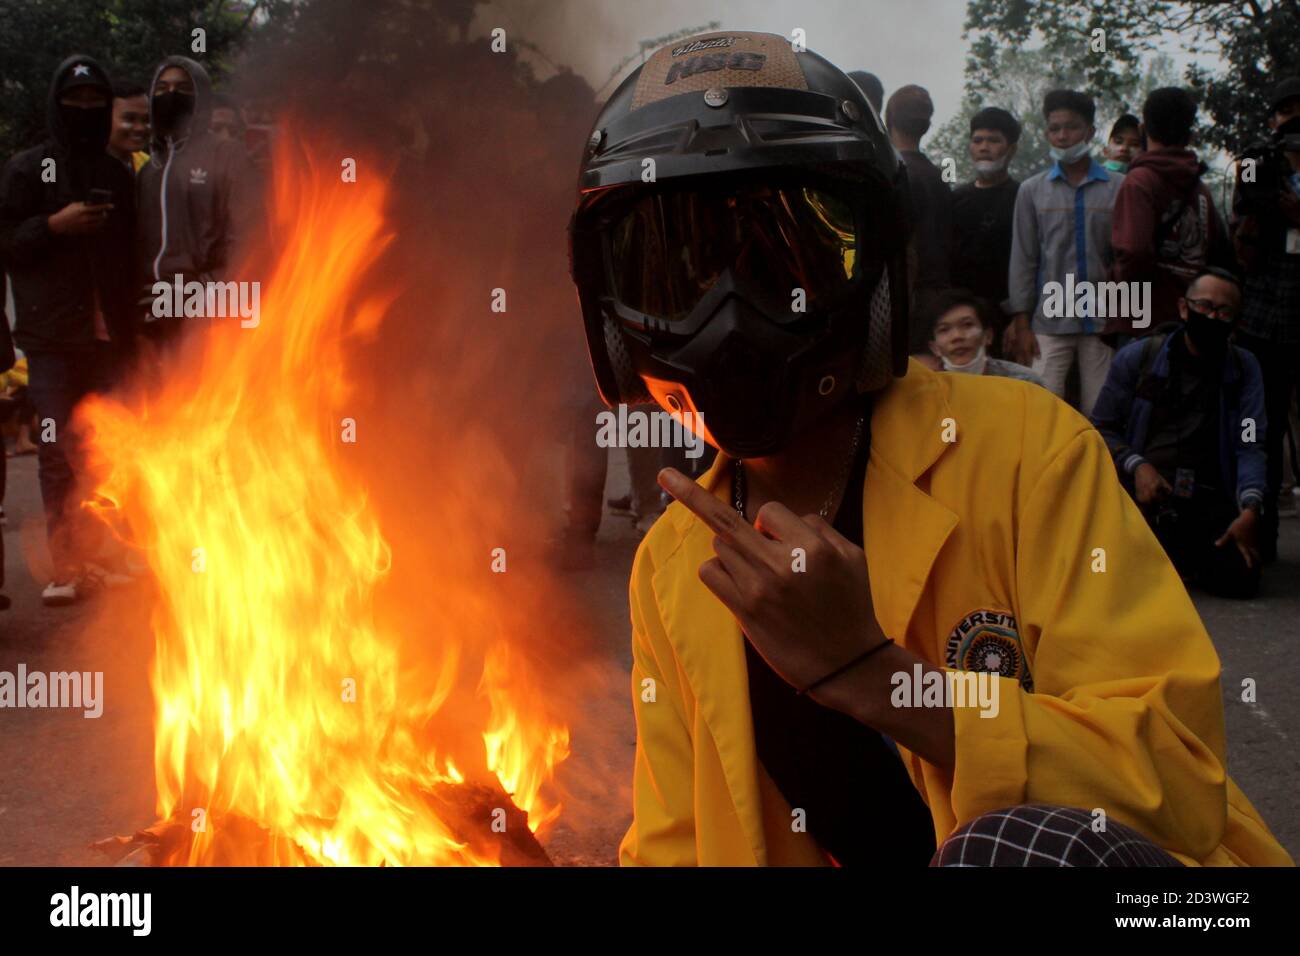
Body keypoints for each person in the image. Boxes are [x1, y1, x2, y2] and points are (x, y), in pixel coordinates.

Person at [570, 31, 1290, 867]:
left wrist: (874, 675)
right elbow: (676, 847)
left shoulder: (1025, 448)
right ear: (612, 320)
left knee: (1009, 853)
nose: (732, 313)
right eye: (678, 268)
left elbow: (1179, 785)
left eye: (788, 254)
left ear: (879, 265)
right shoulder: (671, 566)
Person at [0, 55, 137, 605]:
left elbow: (133, 253)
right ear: (57, 106)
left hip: (110, 340)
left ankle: (103, 555)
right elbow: (7, 240)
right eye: (74, 102)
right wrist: (54, 226)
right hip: (53, 341)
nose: (84, 112)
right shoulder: (29, 169)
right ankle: (66, 565)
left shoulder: (115, 173)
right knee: (56, 451)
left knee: (110, 452)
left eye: (93, 104)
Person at [1091, 270, 1264, 599]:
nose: (1212, 317)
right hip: (1145, 495)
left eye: (1224, 311)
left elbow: (1250, 441)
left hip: (1210, 495)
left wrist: (1250, 508)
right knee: (1102, 573)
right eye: (1205, 306)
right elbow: (1101, 428)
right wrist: (1137, 465)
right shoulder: (1139, 358)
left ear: (1236, 322)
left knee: (1241, 578)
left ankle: (1176, 560)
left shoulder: (1244, 369)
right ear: (1184, 309)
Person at [1006, 89, 1123, 415]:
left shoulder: (1119, 187)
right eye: (1054, 129)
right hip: (1049, 320)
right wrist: (1022, 323)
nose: (1061, 136)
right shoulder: (1032, 190)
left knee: (1100, 415)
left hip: (1102, 322)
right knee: (1043, 412)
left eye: (1070, 127)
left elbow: (1124, 259)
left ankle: (1099, 467)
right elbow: (1024, 259)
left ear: (1089, 131)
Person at [136, 56, 258, 348]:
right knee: (159, 393)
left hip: (211, 308)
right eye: (162, 88)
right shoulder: (149, 169)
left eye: (182, 87)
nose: (172, 95)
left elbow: (250, 239)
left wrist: (205, 287)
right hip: (155, 306)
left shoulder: (228, 155)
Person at [1231, 76, 1300, 561]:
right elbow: (1244, 211)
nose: (1291, 119)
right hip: (1265, 313)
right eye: (1284, 111)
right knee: (1264, 428)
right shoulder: (1258, 161)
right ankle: (1266, 536)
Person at [1107, 88, 1234, 339]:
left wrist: (1118, 287)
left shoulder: (1139, 181)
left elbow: (1134, 251)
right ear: (1190, 134)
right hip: (1192, 320)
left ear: (1144, 130)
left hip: (1144, 322)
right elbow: (1219, 254)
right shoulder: (1200, 189)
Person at [884, 84, 952, 353]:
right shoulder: (939, 177)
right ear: (927, 124)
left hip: (906, 299)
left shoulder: (893, 174)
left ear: (888, 120)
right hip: (941, 297)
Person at [950, 106, 1021, 353]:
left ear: (1011, 149)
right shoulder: (955, 199)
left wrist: (1021, 318)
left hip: (1007, 316)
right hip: (962, 317)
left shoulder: (1023, 197)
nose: (984, 147)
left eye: (993, 140)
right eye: (977, 140)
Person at [927, 289, 1043, 385]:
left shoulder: (1024, 382)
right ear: (934, 348)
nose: (957, 336)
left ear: (988, 336)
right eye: (944, 329)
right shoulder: (926, 390)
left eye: (967, 324)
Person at [108, 79, 150, 173]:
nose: (140, 128)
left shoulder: (148, 166)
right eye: (130, 119)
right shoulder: (84, 169)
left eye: (146, 120)